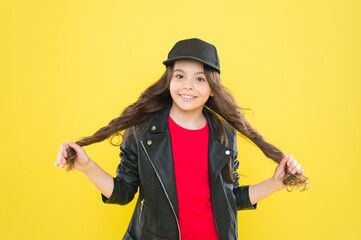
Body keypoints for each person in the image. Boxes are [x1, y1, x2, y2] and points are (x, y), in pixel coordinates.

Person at [55, 38, 307, 240]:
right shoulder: (143, 132)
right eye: (180, 76)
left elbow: (228, 198)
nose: (188, 85)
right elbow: (123, 192)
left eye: (200, 79)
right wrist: (87, 166)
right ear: (169, 81)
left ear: (211, 89)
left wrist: (275, 183)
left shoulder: (223, 134)